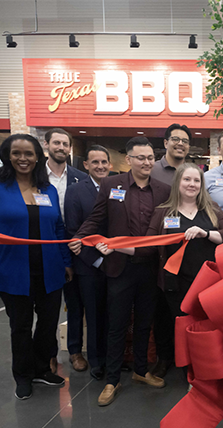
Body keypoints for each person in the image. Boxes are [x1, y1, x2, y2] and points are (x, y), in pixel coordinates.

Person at [0, 134, 72, 401]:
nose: (23, 159)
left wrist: (66, 261)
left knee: (48, 325)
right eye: (16, 153)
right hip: (12, 270)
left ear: (38, 156)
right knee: (21, 326)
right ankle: (23, 376)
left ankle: (41, 369)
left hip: (49, 269)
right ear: (8, 156)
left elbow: (58, 228)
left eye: (29, 154)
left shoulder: (47, 189)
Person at [69, 137, 171, 407]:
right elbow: (97, 217)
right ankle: (112, 379)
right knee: (116, 325)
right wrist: (80, 237)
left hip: (150, 267)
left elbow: (169, 224)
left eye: (150, 157)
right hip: (119, 268)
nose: (147, 162)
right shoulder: (111, 185)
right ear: (128, 160)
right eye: (141, 158)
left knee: (144, 323)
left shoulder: (163, 190)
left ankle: (140, 370)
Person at [141, 163, 223, 334]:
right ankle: (179, 361)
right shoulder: (163, 212)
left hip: (209, 282)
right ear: (178, 183)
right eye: (187, 179)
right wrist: (116, 247)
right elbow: (148, 245)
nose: (192, 184)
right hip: (176, 284)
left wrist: (205, 233)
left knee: (207, 327)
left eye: (196, 180)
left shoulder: (212, 209)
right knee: (179, 329)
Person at [64, 145, 112, 381]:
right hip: (88, 265)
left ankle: (112, 356)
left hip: (116, 262)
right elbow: (74, 232)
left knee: (112, 314)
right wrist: (96, 261)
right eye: (95, 162)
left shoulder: (117, 187)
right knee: (92, 315)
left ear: (110, 164)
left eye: (104, 162)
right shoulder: (75, 191)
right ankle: (96, 361)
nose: (100, 166)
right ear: (86, 165)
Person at [43, 128, 87, 374]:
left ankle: (74, 351)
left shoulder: (80, 177)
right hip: (45, 246)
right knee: (48, 305)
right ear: (47, 144)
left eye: (65, 144)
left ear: (70, 148)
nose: (61, 147)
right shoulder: (36, 176)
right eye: (56, 142)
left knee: (74, 302)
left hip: (73, 246)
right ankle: (49, 353)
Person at [148, 124, 191, 377]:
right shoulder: (152, 171)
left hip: (188, 256)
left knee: (186, 312)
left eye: (185, 140)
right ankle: (165, 358)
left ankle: (189, 358)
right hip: (156, 252)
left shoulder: (194, 171)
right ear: (165, 142)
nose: (180, 144)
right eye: (175, 139)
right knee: (161, 310)